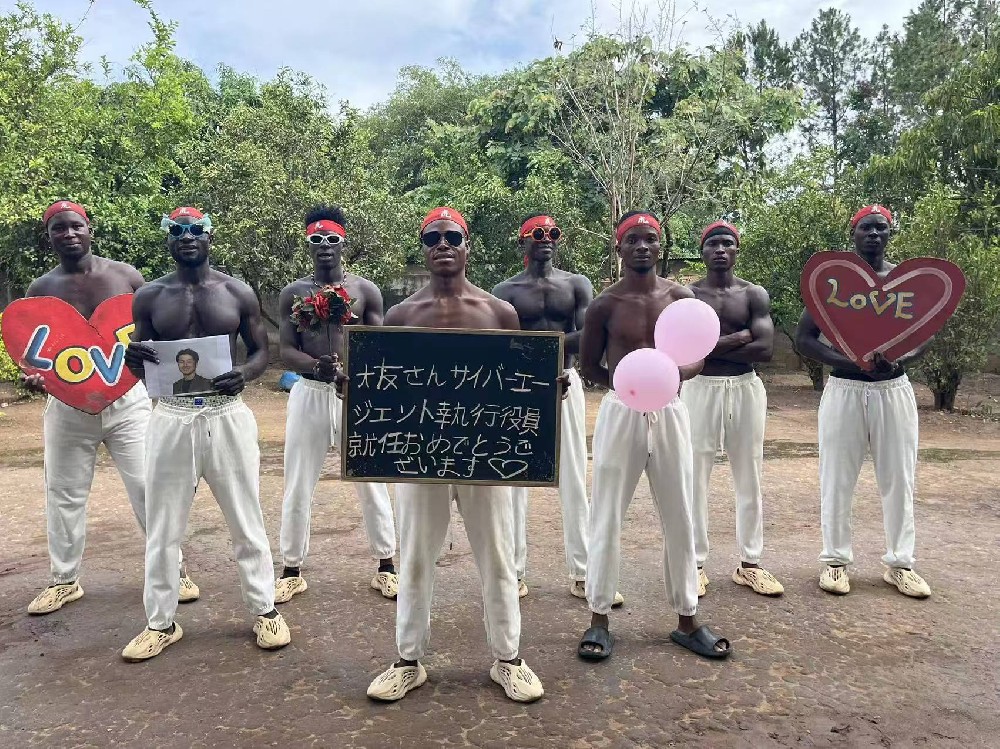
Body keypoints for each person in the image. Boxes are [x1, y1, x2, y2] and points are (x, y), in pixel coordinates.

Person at [366, 207, 544, 703]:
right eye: (433, 237)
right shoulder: (402, 316)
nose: (443, 244)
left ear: (467, 246)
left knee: (498, 555)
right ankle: (408, 660)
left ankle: (508, 658)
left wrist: (545, 394)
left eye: (452, 236)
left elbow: (517, 383)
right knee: (417, 557)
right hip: (421, 455)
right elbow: (387, 389)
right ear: (424, 247)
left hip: (486, 456)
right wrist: (354, 390)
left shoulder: (498, 312)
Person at [120, 206, 290, 661]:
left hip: (226, 412)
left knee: (245, 516)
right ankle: (160, 620)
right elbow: (144, 363)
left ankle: (265, 610)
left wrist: (245, 374)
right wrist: (132, 360)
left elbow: (260, 351)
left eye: (196, 230)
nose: (187, 237)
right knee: (163, 524)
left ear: (210, 236)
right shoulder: (150, 296)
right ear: (169, 239)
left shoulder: (236, 291)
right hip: (171, 415)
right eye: (178, 231)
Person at [21, 200, 198, 616]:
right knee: (63, 493)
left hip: (128, 399)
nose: (68, 234)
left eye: (75, 226)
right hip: (67, 405)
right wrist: (33, 378)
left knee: (149, 488)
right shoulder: (40, 290)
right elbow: (34, 354)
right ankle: (64, 580)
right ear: (49, 238)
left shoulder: (125, 276)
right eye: (58, 229)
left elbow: (152, 332)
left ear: (90, 228)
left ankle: (174, 569)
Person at [577, 211, 732, 662]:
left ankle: (688, 619)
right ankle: (599, 618)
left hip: (671, 410)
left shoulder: (680, 297)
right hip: (622, 412)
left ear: (660, 246)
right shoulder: (605, 304)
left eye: (650, 239)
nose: (642, 246)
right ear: (619, 247)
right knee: (606, 512)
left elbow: (698, 355)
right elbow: (589, 367)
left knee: (681, 512)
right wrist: (629, 384)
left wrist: (671, 375)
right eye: (633, 240)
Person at [795, 204, 933, 599]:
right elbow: (805, 338)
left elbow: (926, 334)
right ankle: (835, 562)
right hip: (845, 389)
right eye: (865, 228)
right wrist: (850, 360)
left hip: (894, 391)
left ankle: (900, 563)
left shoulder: (903, 283)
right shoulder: (837, 284)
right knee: (837, 476)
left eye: (881, 228)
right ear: (852, 234)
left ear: (891, 233)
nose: (873, 234)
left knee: (899, 477)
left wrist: (901, 359)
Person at [492, 214, 623, 607]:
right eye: (537, 234)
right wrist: (536, 353)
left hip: (564, 381)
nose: (545, 240)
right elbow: (499, 340)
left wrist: (545, 347)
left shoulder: (576, 284)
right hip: (517, 386)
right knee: (512, 478)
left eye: (552, 233)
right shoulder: (505, 289)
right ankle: (514, 572)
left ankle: (584, 574)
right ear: (523, 242)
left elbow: (587, 335)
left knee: (571, 476)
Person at [274, 205, 398, 604]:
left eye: (331, 240)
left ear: (343, 242)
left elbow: (379, 346)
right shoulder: (294, 293)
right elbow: (285, 349)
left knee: (371, 479)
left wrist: (353, 371)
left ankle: (386, 566)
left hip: (355, 392)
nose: (324, 247)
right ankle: (291, 568)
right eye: (316, 240)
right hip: (309, 391)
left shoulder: (366, 291)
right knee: (298, 480)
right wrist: (315, 365)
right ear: (308, 244)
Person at [682, 222, 783, 597]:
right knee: (694, 476)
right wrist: (738, 337)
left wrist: (711, 346)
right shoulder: (687, 295)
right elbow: (684, 351)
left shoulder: (753, 294)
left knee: (749, 473)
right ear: (702, 250)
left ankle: (751, 563)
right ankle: (694, 564)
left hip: (745, 386)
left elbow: (765, 350)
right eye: (713, 243)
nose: (721, 249)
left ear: (737, 250)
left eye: (728, 243)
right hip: (699, 389)